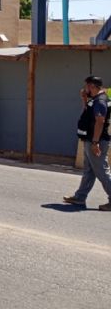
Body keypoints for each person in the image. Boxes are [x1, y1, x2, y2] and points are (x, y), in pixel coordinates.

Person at [63, 76, 111, 211]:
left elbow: (100, 121)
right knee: (89, 171)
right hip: (91, 140)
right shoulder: (95, 100)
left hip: (96, 141)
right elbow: (88, 114)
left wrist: (95, 142)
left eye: (86, 86)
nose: (84, 89)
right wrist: (84, 99)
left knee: (102, 171)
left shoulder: (100, 101)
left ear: (92, 86)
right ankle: (80, 197)